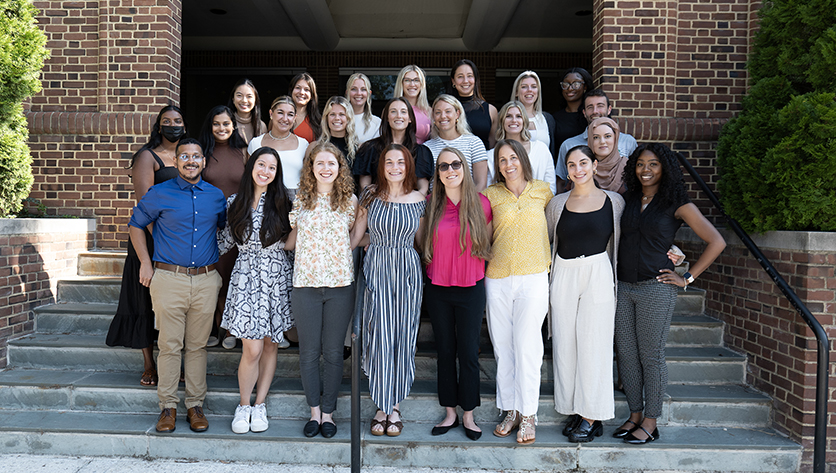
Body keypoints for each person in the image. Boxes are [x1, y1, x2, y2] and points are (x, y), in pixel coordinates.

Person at [614, 143, 725, 444]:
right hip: (624, 286)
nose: (645, 170)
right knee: (626, 354)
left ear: (665, 168)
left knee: (651, 355)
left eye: (652, 164)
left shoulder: (677, 203)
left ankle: (651, 420)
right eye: (639, 164)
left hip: (656, 287)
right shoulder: (630, 198)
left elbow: (716, 241)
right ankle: (635, 414)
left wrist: (687, 276)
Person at [128, 137, 227, 433]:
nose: (191, 161)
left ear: (204, 161)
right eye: (185, 156)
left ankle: (195, 406)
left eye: (196, 156)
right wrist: (145, 262)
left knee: (197, 346)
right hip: (168, 278)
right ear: (176, 161)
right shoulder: (159, 193)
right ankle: (167, 408)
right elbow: (135, 225)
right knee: (170, 346)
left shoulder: (216, 196)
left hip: (206, 280)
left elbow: (221, 229)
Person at [545, 145, 625, 443]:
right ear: (567, 170)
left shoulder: (614, 202)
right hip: (563, 272)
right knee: (565, 343)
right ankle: (574, 409)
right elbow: (549, 240)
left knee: (594, 343)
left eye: (583, 163)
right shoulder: (557, 204)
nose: (578, 169)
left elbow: (629, 237)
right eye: (571, 165)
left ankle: (592, 415)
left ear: (594, 165)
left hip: (597, 272)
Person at [284, 142, 358, 439]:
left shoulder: (349, 201)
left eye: (332, 163)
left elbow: (353, 238)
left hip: (340, 285)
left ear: (340, 168)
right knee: (309, 352)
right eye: (320, 164)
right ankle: (314, 412)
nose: (326, 168)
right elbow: (292, 238)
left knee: (333, 352)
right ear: (311, 169)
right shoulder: (301, 199)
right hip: (305, 284)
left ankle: (329, 414)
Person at [482, 139, 553, 445]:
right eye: (502, 160)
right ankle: (509, 409)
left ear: (523, 159)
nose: (508, 164)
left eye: (513, 158)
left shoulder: (543, 191)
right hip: (497, 277)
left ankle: (529, 414)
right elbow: (482, 237)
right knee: (502, 346)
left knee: (528, 347)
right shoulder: (490, 194)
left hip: (534, 276)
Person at [352, 143, 426, 437]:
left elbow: (422, 243)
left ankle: (394, 406)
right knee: (378, 335)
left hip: (407, 271)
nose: (395, 167)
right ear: (381, 167)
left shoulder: (420, 199)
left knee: (402, 337)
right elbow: (355, 237)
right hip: (377, 269)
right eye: (389, 162)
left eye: (401, 162)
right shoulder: (369, 197)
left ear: (408, 166)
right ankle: (380, 406)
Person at [106, 105, 182, 386]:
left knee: (170, 305)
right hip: (151, 239)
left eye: (178, 121)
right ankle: (150, 365)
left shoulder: (188, 156)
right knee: (145, 299)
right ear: (158, 126)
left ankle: (171, 363)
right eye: (167, 121)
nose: (173, 125)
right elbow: (144, 205)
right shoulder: (146, 157)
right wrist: (160, 240)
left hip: (179, 239)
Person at [220, 147, 294, 434]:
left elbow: (293, 238)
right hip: (246, 277)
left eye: (272, 168)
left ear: (277, 174)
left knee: (271, 344)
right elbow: (223, 241)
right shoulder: (234, 202)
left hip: (276, 276)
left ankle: (260, 404)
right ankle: (244, 405)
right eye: (261, 164)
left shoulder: (284, 201)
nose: (265, 171)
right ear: (251, 166)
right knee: (251, 348)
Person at [421, 147, 492, 441]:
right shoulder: (430, 204)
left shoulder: (482, 204)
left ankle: (469, 415)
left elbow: (486, 245)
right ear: (438, 174)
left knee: (469, 352)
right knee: (446, 351)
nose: (450, 170)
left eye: (456, 164)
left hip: (471, 287)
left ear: (464, 167)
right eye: (443, 166)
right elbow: (421, 242)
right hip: (438, 287)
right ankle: (449, 412)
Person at [199, 105, 250, 350]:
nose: (222, 128)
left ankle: (231, 328)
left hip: (238, 225)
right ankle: (216, 325)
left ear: (234, 126)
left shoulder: (244, 152)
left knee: (234, 276)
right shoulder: (203, 152)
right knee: (214, 276)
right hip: (209, 224)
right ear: (210, 126)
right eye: (217, 124)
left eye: (226, 124)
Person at [353, 97, 433, 195]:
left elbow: (423, 187)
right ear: (387, 117)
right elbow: (364, 185)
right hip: (378, 203)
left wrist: (414, 202)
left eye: (403, 112)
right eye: (393, 111)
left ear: (410, 118)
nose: (398, 116)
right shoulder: (370, 148)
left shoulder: (421, 152)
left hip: (409, 205)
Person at [556, 89, 637, 183]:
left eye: (600, 106)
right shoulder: (569, 145)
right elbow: (561, 181)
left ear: (609, 109)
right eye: (590, 107)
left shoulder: (628, 142)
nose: (595, 111)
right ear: (584, 112)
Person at [487, 101, 556, 193]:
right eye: (508, 116)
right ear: (502, 121)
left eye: (519, 116)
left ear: (525, 121)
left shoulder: (541, 149)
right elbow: (489, 191)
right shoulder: (490, 156)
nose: (514, 120)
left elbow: (551, 188)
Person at [248, 96, 309, 198]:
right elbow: (249, 177)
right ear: (271, 114)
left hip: (295, 201)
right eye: (280, 113)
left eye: (290, 114)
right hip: (264, 198)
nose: (285, 118)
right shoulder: (256, 143)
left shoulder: (303, 145)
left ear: (294, 118)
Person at [424, 94, 488, 191]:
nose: (443, 116)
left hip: (469, 203)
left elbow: (481, 184)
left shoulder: (474, 143)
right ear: (433, 116)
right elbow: (425, 186)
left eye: (448, 111)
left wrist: (469, 205)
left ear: (457, 114)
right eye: (438, 112)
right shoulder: (426, 148)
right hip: (437, 204)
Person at [449, 59, 497, 149]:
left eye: (470, 76)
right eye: (460, 76)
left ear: (475, 79)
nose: (465, 81)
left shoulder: (491, 110)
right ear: (453, 81)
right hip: (452, 161)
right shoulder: (445, 110)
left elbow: (492, 147)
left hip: (482, 161)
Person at [510, 71, 556, 156]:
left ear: (538, 91)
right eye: (524, 87)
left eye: (534, 87)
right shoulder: (507, 118)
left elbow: (551, 153)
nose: (530, 90)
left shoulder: (547, 119)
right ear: (516, 92)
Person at [551, 68, 594, 158]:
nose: (570, 88)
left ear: (585, 86)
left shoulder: (590, 116)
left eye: (576, 84)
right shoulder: (555, 118)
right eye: (566, 84)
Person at [588, 117, 628, 194]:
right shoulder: (582, 168)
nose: (602, 142)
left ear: (615, 139)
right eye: (596, 137)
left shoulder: (627, 167)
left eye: (607, 136)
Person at [394, 65, 432, 144]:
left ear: (422, 84)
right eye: (407, 80)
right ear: (401, 83)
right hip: (397, 154)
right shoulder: (391, 110)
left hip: (421, 154)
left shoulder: (429, 111)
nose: (412, 84)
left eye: (416, 80)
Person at [317, 96, 359, 167]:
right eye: (332, 114)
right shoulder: (317, 147)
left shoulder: (358, 150)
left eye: (341, 114)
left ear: (348, 118)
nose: (337, 118)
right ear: (326, 118)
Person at [345, 73, 381, 144]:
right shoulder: (339, 120)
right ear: (347, 92)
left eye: (363, 89)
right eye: (354, 89)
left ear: (369, 93)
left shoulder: (377, 123)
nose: (358, 93)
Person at [228, 78, 267, 144]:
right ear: (233, 99)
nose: (244, 100)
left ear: (255, 101)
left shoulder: (261, 126)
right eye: (239, 95)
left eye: (249, 96)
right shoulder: (225, 123)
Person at [289, 72, 321, 143]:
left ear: (312, 95)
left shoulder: (318, 121)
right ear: (291, 90)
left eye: (306, 89)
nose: (302, 92)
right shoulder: (279, 118)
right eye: (298, 88)